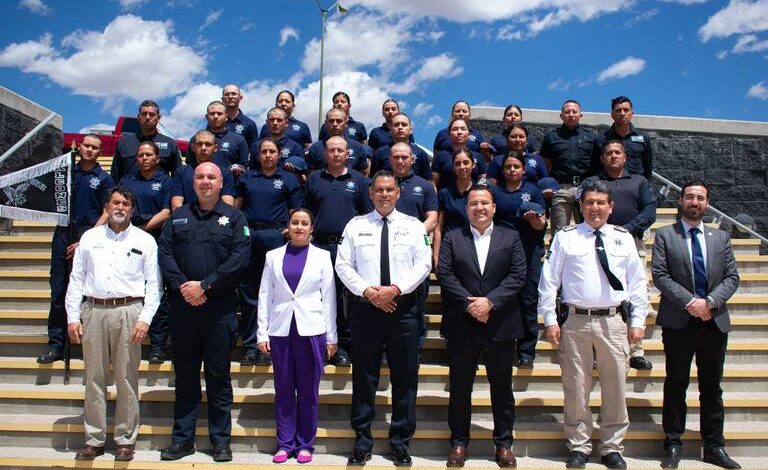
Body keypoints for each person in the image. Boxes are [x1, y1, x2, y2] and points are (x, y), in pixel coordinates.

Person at [538, 180, 649, 469]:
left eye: (601, 203)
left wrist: (638, 320)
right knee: (576, 386)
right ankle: (579, 444)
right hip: (575, 321)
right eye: (589, 202)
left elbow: (637, 283)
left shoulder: (623, 238)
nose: (595, 208)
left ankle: (612, 446)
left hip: (614, 321)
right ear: (581, 206)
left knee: (616, 386)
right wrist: (550, 320)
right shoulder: (566, 237)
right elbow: (549, 281)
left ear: (611, 207)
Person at [336, 170, 432, 467]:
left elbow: (424, 264)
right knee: (364, 377)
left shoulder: (414, 226)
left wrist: (395, 290)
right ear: (370, 193)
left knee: (405, 378)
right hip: (366, 311)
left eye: (390, 189)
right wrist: (369, 292)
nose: (385, 194)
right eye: (379, 189)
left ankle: (400, 443)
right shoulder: (355, 225)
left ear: (398, 193)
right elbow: (343, 265)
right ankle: (362, 442)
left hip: (403, 311)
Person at [158, 162, 251, 462]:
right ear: (193, 182)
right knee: (185, 377)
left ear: (221, 183)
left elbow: (240, 258)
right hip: (183, 309)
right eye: (200, 176)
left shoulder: (235, 218)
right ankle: (182, 440)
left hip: (219, 310)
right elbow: (165, 254)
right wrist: (186, 287)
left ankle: (221, 441)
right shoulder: (178, 217)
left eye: (212, 177)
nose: (205, 181)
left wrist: (206, 285)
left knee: (218, 377)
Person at [65, 186, 161, 462]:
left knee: (126, 378)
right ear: (107, 207)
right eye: (115, 203)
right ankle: (94, 439)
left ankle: (125, 439)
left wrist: (145, 319)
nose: (120, 207)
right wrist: (72, 316)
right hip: (94, 310)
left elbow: (154, 284)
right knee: (93, 378)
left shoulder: (145, 240)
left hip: (129, 311)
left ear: (132, 209)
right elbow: (76, 280)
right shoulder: (90, 238)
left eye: (125, 204)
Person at [652, 181, 741, 470]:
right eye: (689, 197)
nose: (694, 202)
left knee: (712, 387)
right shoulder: (665, 235)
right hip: (679, 321)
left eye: (700, 198)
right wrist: (691, 302)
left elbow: (732, 277)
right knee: (676, 384)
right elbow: (660, 275)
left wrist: (710, 302)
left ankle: (714, 446)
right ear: (680, 201)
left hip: (713, 322)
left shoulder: (720, 237)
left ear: (707, 203)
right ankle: (673, 444)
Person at [438, 184, 526, 468]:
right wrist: (471, 306)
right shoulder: (453, 237)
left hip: (500, 324)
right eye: (474, 203)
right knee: (460, 388)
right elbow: (446, 274)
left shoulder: (511, 237)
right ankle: (459, 442)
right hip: (463, 324)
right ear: (466, 209)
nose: (480, 208)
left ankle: (503, 444)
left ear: (494, 207)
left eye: (485, 203)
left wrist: (490, 302)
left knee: (502, 388)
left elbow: (518, 275)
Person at [256, 208, 337, 464]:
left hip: (311, 330)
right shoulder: (272, 256)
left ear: (312, 228)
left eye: (304, 223)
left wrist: (331, 337)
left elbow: (329, 298)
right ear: (288, 227)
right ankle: (284, 443)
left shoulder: (322, 257)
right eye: (295, 223)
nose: (299, 227)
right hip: (280, 329)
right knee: (283, 389)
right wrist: (262, 332)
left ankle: (304, 444)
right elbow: (265, 295)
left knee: (308, 391)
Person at [38, 134, 113, 364]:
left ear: (100, 152)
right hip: (63, 230)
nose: (89, 150)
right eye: (86, 145)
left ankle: (89, 343)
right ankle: (56, 344)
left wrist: (86, 239)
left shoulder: (104, 179)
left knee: (88, 291)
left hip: (90, 233)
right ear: (79, 147)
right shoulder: (66, 172)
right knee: (59, 289)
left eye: (95, 147)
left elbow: (107, 212)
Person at [584, 140, 657, 370]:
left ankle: (635, 350)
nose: (613, 156)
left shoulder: (639, 181)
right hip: (597, 243)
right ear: (602, 158)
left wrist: (625, 230)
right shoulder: (592, 182)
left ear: (625, 157)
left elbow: (649, 211)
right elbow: (585, 209)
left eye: (617, 152)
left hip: (631, 241)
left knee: (637, 293)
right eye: (609, 153)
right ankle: (597, 351)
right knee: (600, 295)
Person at [304, 136, 372, 366]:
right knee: (319, 297)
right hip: (319, 246)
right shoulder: (314, 179)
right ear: (325, 153)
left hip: (348, 248)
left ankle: (343, 346)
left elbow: (367, 215)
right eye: (331, 150)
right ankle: (320, 344)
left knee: (347, 299)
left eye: (340, 150)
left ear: (347, 154)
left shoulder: (359, 180)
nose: (335, 154)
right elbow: (306, 212)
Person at [237, 138, 303, 366]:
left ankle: (270, 346)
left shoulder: (288, 179)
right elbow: (237, 207)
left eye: (271, 151)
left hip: (275, 237)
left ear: (279, 154)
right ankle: (250, 346)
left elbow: (295, 211)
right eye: (264, 151)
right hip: (250, 237)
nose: (267, 155)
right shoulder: (247, 177)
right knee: (249, 292)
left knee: (275, 293)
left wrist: (288, 229)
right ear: (258, 155)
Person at [118, 140, 174, 363]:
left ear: (157, 158)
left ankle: (157, 345)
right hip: (128, 240)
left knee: (156, 289)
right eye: (141, 155)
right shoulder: (127, 181)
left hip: (156, 237)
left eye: (149, 155)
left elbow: (167, 211)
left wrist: (142, 230)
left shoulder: (166, 181)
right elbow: (119, 207)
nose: (144, 158)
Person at [493, 151, 547, 368]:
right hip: (501, 252)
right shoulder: (495, 192)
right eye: (508, 166)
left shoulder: (533, 191)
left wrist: (534, 220)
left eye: (516, 166)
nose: (512, 170)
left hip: (528, 252)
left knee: (527, 301)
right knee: (502, 301)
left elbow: (541, 224)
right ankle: (502, 346)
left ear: (524, 169)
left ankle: (526, 352)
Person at [539, 99, 600, 234]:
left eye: (574, 112)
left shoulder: (591, 137)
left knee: (588, 231)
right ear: (561, 116)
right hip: (561, 189)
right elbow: (544, 166)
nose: (571, 115)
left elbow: (597, 164)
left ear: (580, 115)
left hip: (585, 188)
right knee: (559, 233)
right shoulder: (551, 137)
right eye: (567, 112)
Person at [111, 100, 181, 181]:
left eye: (152, 114)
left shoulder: (170, 144)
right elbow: (115, 175)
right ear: (138, 117)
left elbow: (178, 177)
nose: (147, 117)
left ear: (158, 118)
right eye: (144, 114)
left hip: (161, 188)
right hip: (129, 188)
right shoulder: (124, 143)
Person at [433, 148, 479, 268]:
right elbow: (438, 228)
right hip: (450, 250)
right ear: (453, 167)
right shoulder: (444, 194)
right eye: (457, 164)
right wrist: (436, 255)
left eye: (466, 162)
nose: (462, 167)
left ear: (473, 165)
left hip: (477, 249)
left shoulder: (481, 193)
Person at [171, 130, 236, 210]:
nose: (203, 148)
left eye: (208, 144)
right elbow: (177, 206)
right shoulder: (181, 172)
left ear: (215, 148)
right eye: (199, 144)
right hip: (186, 217)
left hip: (217, 217)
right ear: (193, 147)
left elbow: (227, 206)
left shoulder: (225, 174)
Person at [597, 96, 653, 180]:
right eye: (618, 110)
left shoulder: (643, 137)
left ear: (632, 114)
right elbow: (596, 167)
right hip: (609, 184)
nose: (622, 113)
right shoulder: (602, 139)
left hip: (636, 185)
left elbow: (648, 166)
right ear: (612, 115)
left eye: (626, 110)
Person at [307, 108, 371, 175]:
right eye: (331, 121)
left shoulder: (357, 147)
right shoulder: (316, 148)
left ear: (346, 123)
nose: (335, 124)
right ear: (326, 123)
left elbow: (364, 173)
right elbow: (311, 174)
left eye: (339, 121)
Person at [487, 124, 552, 188]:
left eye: (521, 137)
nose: (518, 140)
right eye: (513, 137)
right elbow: (491, 183)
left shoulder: (537, 159)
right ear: (507, 139)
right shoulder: (498, 160)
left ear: (526, 140)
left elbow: (545, 181)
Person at [370, 113, 430, 180]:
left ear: (410, 130)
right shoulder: (379, 153)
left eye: (404, 124)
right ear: (390, 130)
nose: (400, 127)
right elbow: (373, 179)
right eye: (396, 125)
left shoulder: (421, 154)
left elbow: (425, 180)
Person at [431, 118, 486, 191]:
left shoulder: (478, 156)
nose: (459, 132)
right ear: (449, 134)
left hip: (473, 197)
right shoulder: (441, 157)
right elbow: (433, 183)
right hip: (447, 197)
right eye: (455, 129)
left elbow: (483, 180)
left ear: (469, 134)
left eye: (463, 129)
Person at [196, 100, 249, 177]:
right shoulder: (196, 140)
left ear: (226, 117)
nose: (215, 116)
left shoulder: (239, 140)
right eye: (212, 114)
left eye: (219, 114)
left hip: (230, 184)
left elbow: (244, 169)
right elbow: (190, 167)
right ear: (207, 117)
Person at [251, 107, 305, 172]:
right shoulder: (256, 146)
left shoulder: (296, 148)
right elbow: (251, 171)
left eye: (279, 120)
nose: (275, 123)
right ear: (267, 123)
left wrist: (293, 171)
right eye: (272, 119)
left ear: (286, 123)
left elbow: (303, 174)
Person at [222, 84, 259, 148]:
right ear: (222, 99)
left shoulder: (250, 124)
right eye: (227, 94)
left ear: (240, 98)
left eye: (233, 94)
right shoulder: (214, 122)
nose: (230, 96)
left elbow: (254, 150)